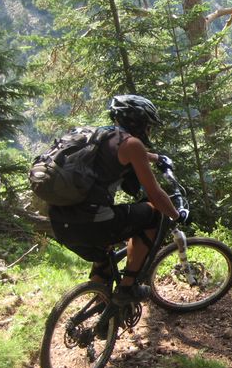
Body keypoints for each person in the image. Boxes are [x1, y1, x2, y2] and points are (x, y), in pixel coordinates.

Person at [48, 94, 182, 304]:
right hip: (92, 223)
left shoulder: (100, 134)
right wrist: (176, 215)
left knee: (103, 257)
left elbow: (128, 152)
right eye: (147, 125)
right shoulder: (133, 144)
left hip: (59, 222)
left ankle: (102, 315)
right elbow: (155, 194)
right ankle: (128, 288)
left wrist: (156, 158)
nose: (148, 130)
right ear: (138, 122)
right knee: (154, 214)